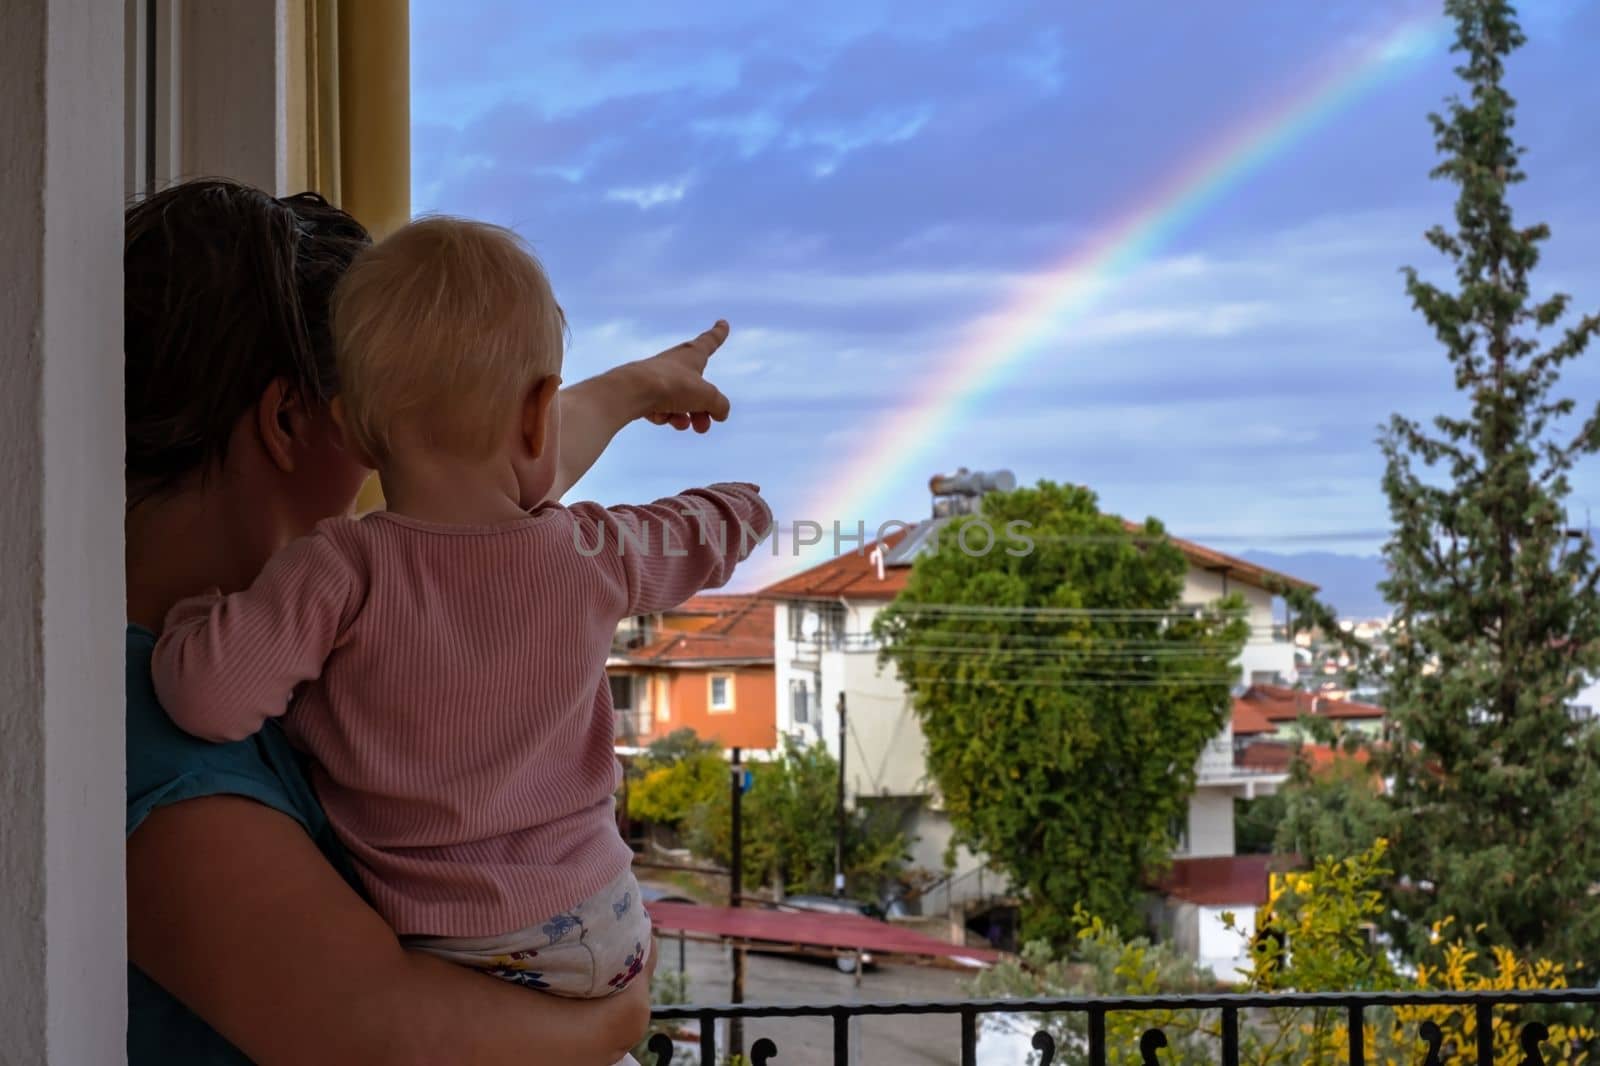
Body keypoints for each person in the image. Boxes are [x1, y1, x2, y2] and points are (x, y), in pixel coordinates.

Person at [125, 179, 729, 1065]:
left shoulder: (279, 619)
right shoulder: (155, 748)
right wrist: (618, 1017)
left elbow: (482, 468)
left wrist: (636, 388)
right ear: (296, 419)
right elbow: (378, 1033)